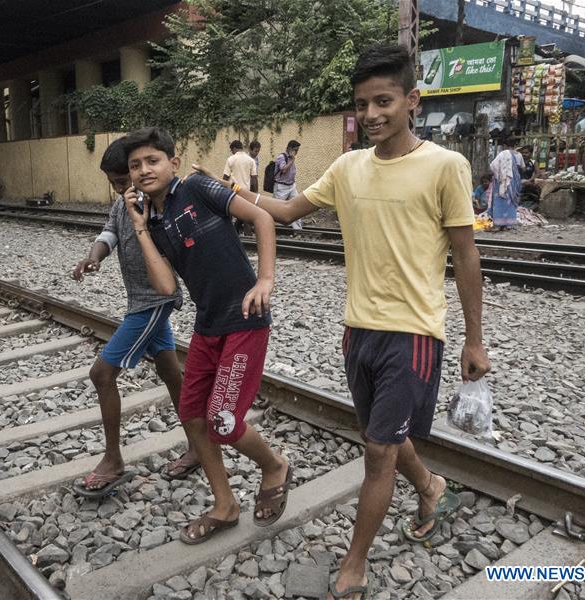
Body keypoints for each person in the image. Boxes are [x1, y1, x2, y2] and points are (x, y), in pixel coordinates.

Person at [196, 44, 490, 600]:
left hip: (416, 333)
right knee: (383, 433)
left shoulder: (445, 165)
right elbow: (282, 211)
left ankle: (354, 563)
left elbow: (466, 255)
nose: (373, 113)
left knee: (378, 451)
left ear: (412, 101)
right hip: (358, 330)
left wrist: (474, 339)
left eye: (385, 101)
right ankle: (430, 487)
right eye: (363, 104)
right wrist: (221, 187)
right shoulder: (347, 167)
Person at [123, 126, 290, 546]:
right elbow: (166, 286)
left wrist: (265, 279)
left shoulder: (197, 188)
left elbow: (262, 217)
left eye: (152, 161)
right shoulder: (153, 220)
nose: (144, 170)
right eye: (135, 166)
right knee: (191, 412)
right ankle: (225, 504)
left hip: (245, 320)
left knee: (223, 419)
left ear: (173, 163)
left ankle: (274, 467)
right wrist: (139, 227)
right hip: (208, 326)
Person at [71, 137, 199, 497]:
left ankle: (113, 459)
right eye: (116, 183)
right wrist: (94, 256)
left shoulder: (157, 206)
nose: (122, 188)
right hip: (138, 301)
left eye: (123, 182)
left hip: (153, 302)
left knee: (101, 373)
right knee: (171, 372)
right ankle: (199, 445)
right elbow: (109, 233)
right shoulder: (121, 205)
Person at [488, 135, 524, 231]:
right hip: (514, 181)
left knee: (500, 201)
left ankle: (499, 224)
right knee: (511, 202)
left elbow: (493, 166)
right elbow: (522, 168)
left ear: (504, 145)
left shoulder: (502, 154)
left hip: (502, 181)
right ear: (515, 144)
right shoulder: (519, 155)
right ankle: (509, 224)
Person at [273, 140, 302, 230]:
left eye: (297, 150)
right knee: (276, 209)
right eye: (295, 150)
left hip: (291, 186)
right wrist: (292, 160)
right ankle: (271, 228)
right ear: (289, 149)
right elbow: (284, 170)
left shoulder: (290, 158)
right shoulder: (281, 157)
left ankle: (298, 229)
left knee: (297, 207)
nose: (296, 152)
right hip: (281, 187)